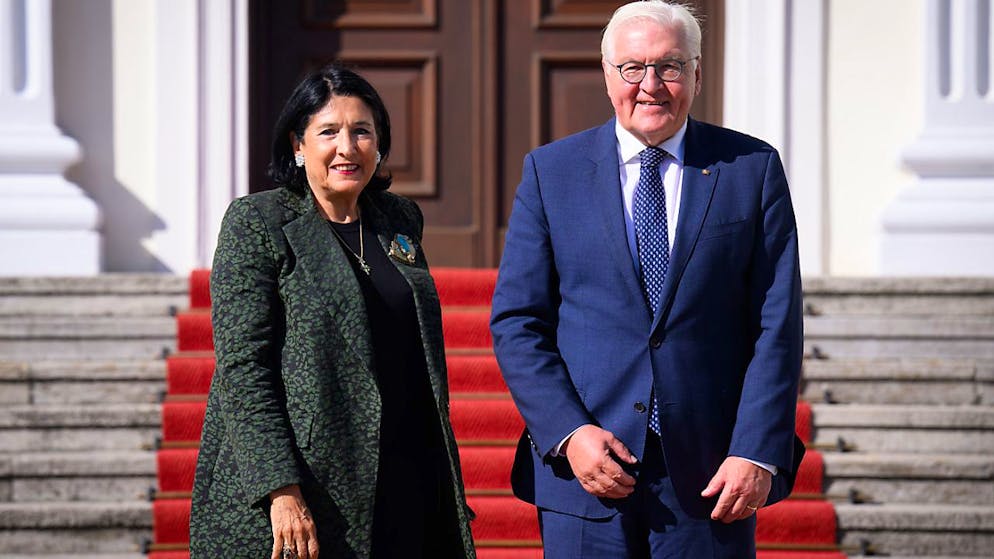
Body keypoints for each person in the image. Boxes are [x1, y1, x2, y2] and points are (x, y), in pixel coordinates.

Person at [489, 1, 805, 557]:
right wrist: (570, 433)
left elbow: (776, 324)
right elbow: (518, 321)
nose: (650, 85)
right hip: (586, 474)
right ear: (607, 74)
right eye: (632, 67)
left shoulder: (751, 169)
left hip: (712, 477)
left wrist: (755, 450)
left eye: (670, 66)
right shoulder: (551, 172)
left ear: (697, 74)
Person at [189, 64, 476, 559]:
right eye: (328, 132)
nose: (347, 147)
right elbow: (242, 370)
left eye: (362, 131)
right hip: (305, 488)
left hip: (402, 474)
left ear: (379, 144)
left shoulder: (399, 219)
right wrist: (280, 489)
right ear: (298, 146)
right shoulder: (259, 222)